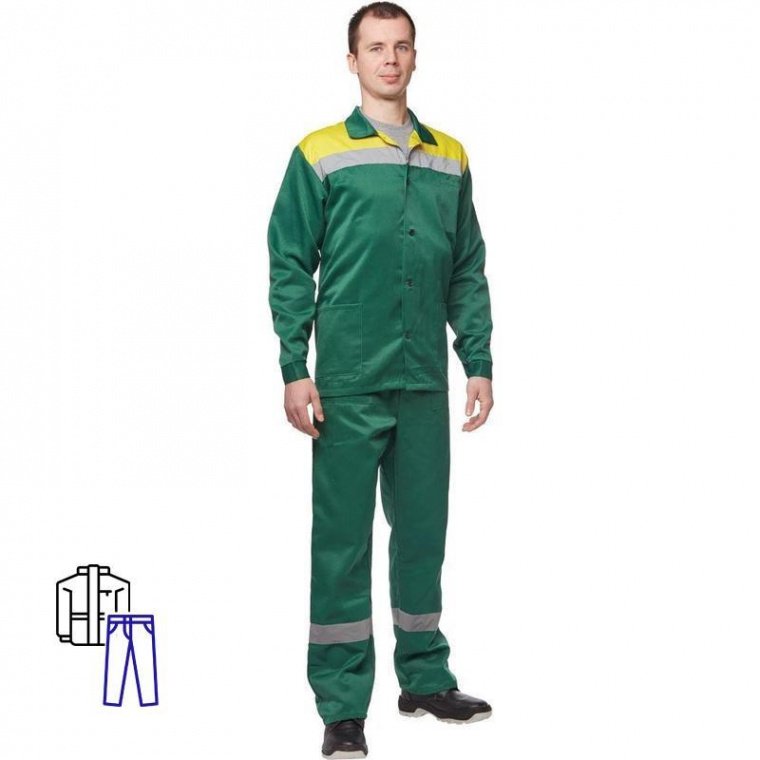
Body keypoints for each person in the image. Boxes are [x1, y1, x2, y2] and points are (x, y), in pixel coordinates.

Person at [267, 3, 494, 756]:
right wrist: (295, 367)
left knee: (422, 535)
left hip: (424, 377)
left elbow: (466, 267)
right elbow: (290, 261)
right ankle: (341, 707)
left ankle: (424, 678)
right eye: (375, 47)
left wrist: (478, 360)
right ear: (353, 61)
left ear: (415, 57)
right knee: (342, 544)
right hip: (347, 382)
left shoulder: (450, 155)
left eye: (401, 46)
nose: (389, 59)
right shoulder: (319, 152)